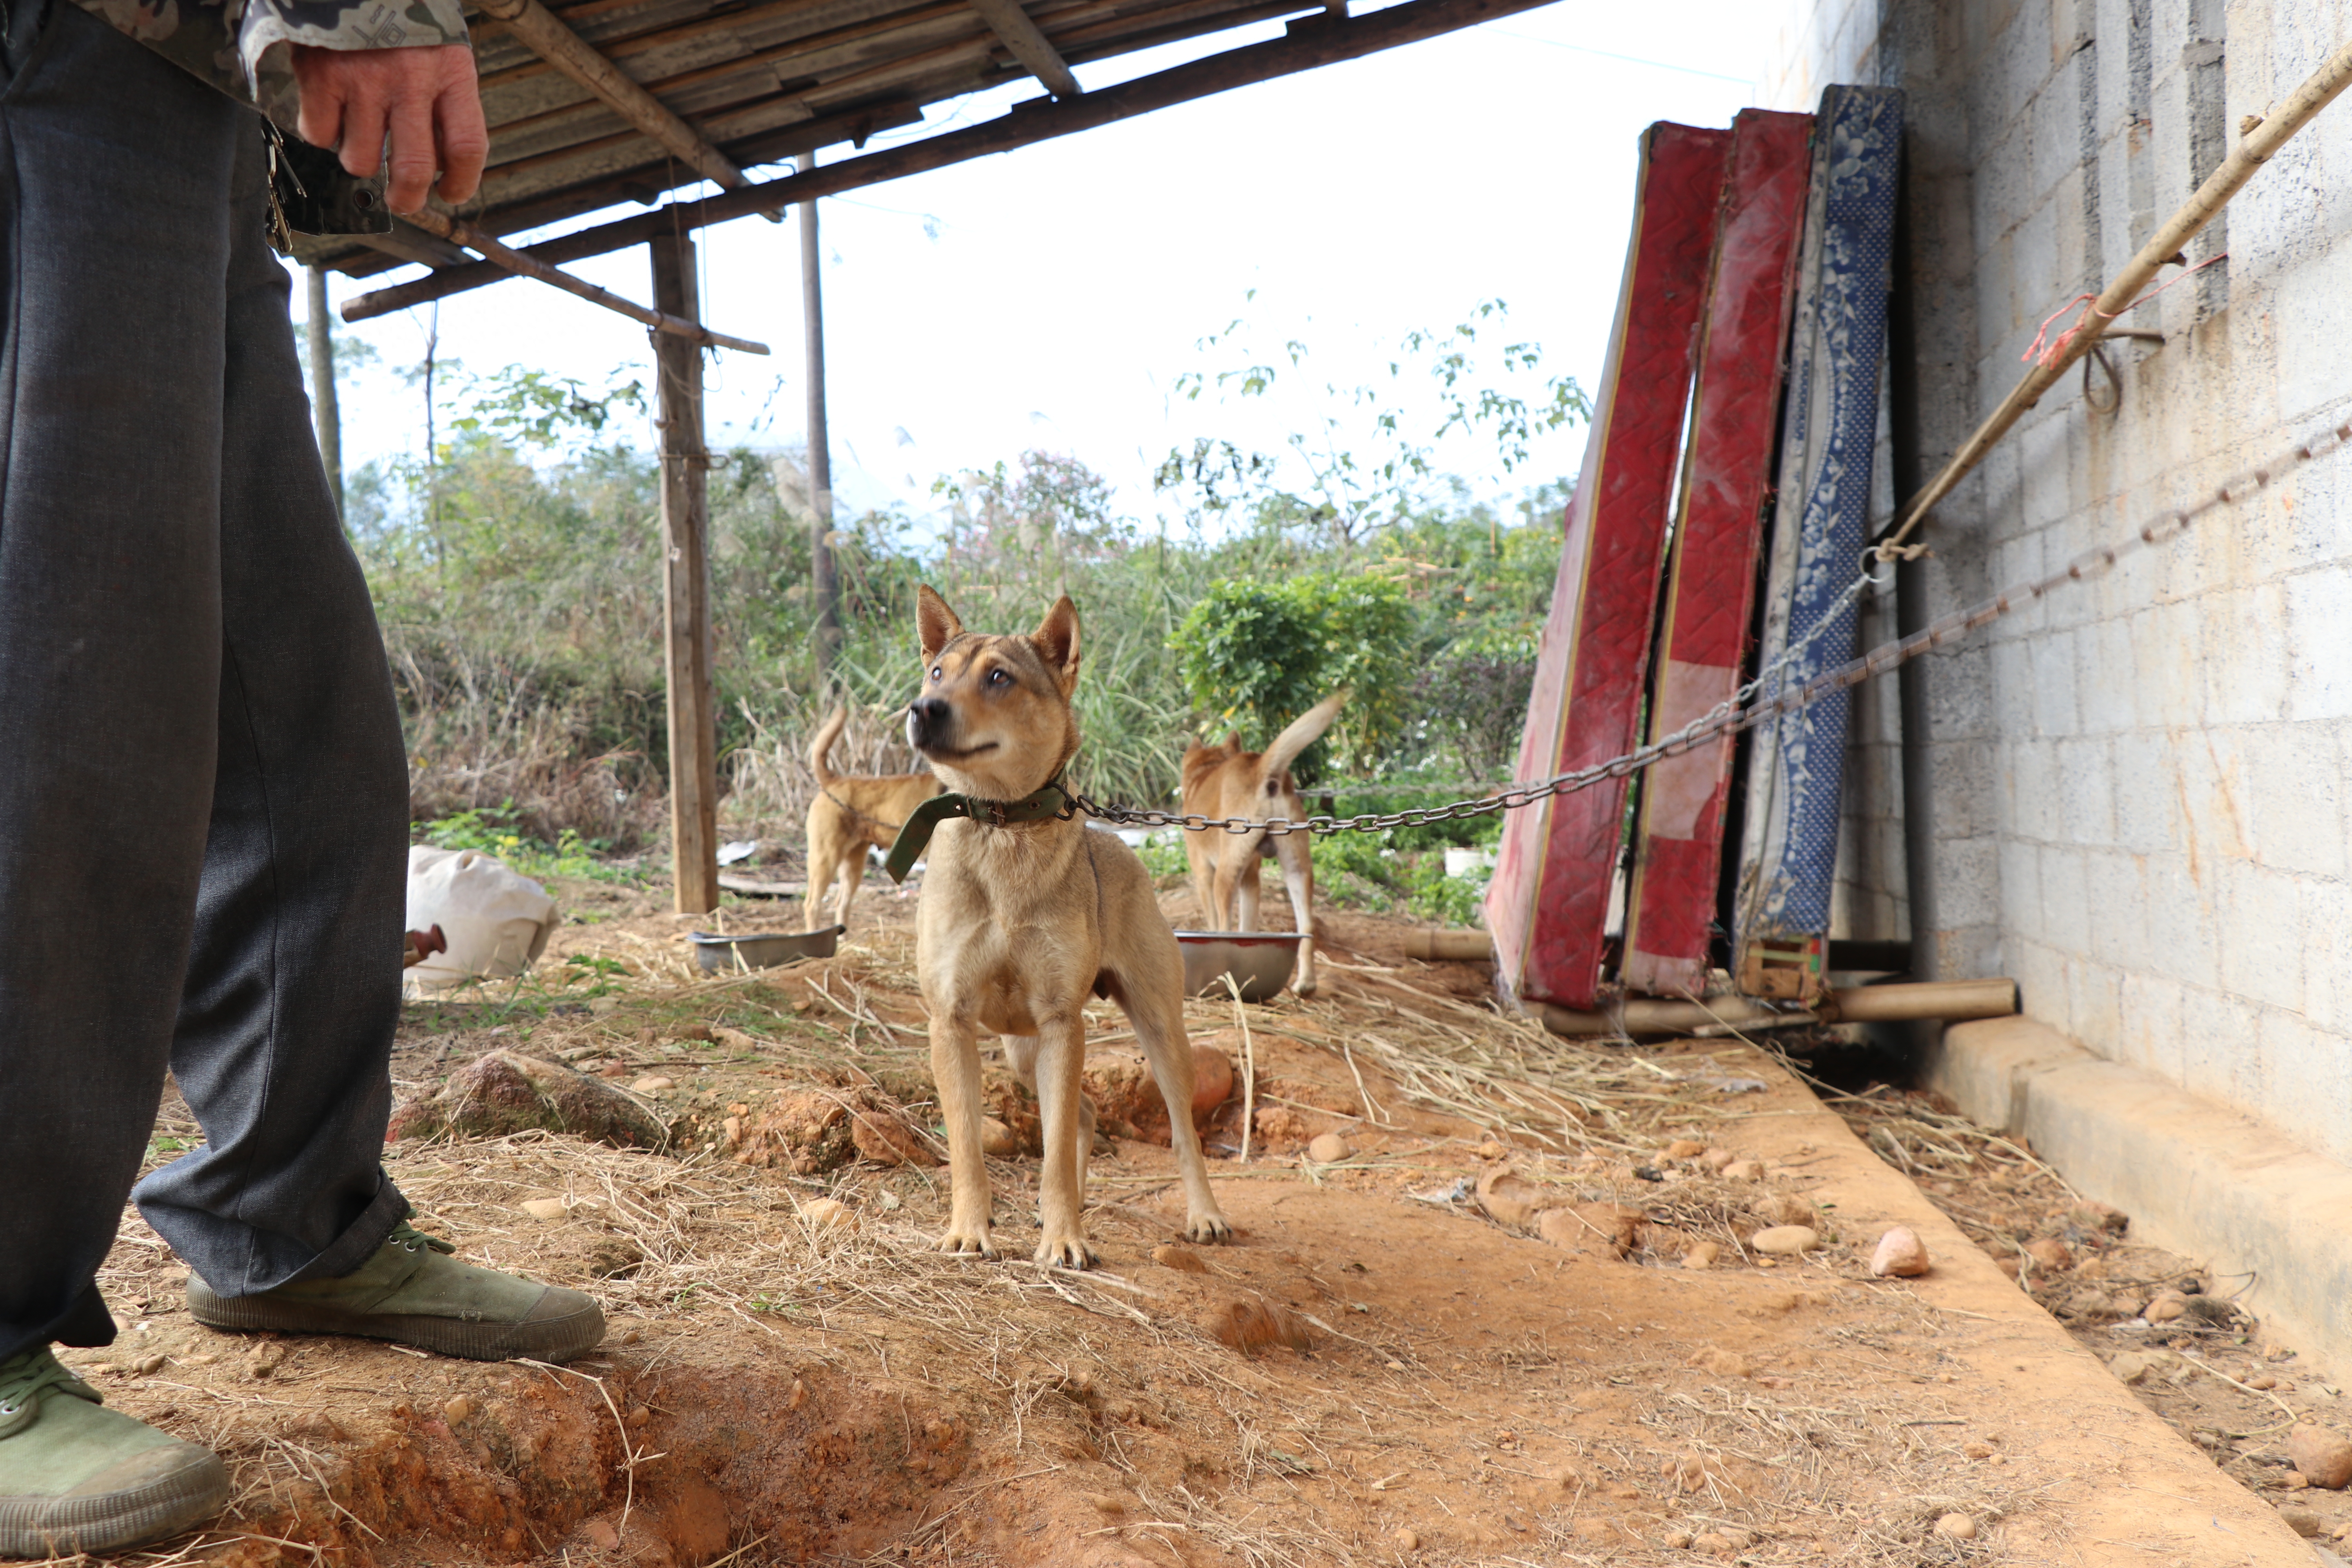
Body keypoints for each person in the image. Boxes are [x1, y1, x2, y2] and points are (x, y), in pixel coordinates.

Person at [0, 10, 598, 1559]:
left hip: (180, 91)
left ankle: (289, 1214)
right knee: (67, 695)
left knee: (298, 714)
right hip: (52, 53)